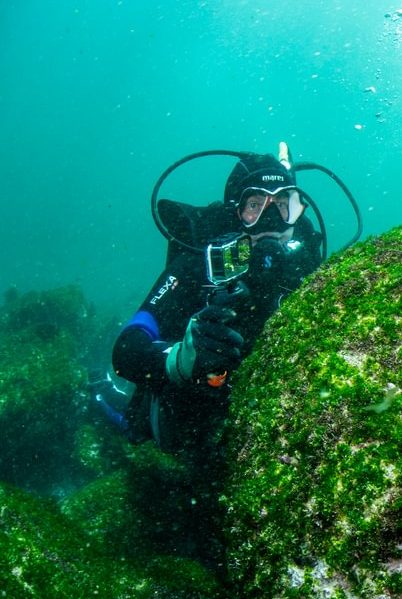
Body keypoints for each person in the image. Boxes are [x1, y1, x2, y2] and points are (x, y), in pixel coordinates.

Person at [91, 148, 324, 560]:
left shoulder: (307, 258)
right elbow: (126, 349)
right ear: (236, 211)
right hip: (190, 405)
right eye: (255, 205)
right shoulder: (198, 262)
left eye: (283, 205)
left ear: (298, 208)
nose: (271, 221)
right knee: (134, 428)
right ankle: (97, 398)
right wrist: (179, 358)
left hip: (255, 406)